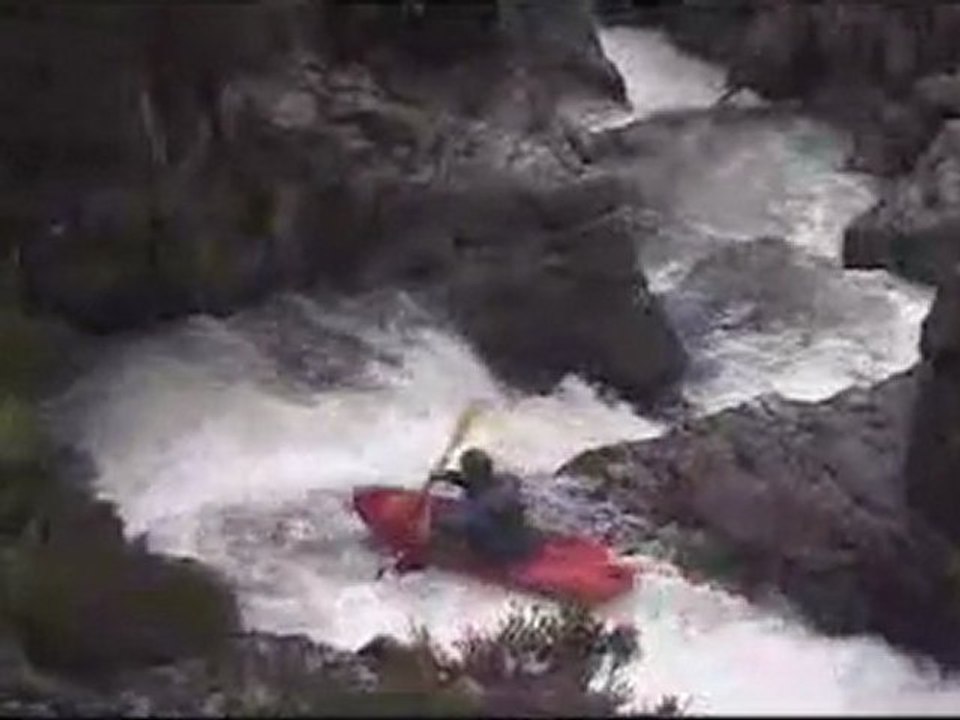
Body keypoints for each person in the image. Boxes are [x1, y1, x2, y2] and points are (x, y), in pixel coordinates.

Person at [424, 447, 538, 566]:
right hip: (524, 538)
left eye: (464, 471)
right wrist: (448, 477)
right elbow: (476, 483)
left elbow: (462, 521)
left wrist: (435, 520)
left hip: (506, 552)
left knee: (447, 529)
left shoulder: (482, 504)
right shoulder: (506, 480)